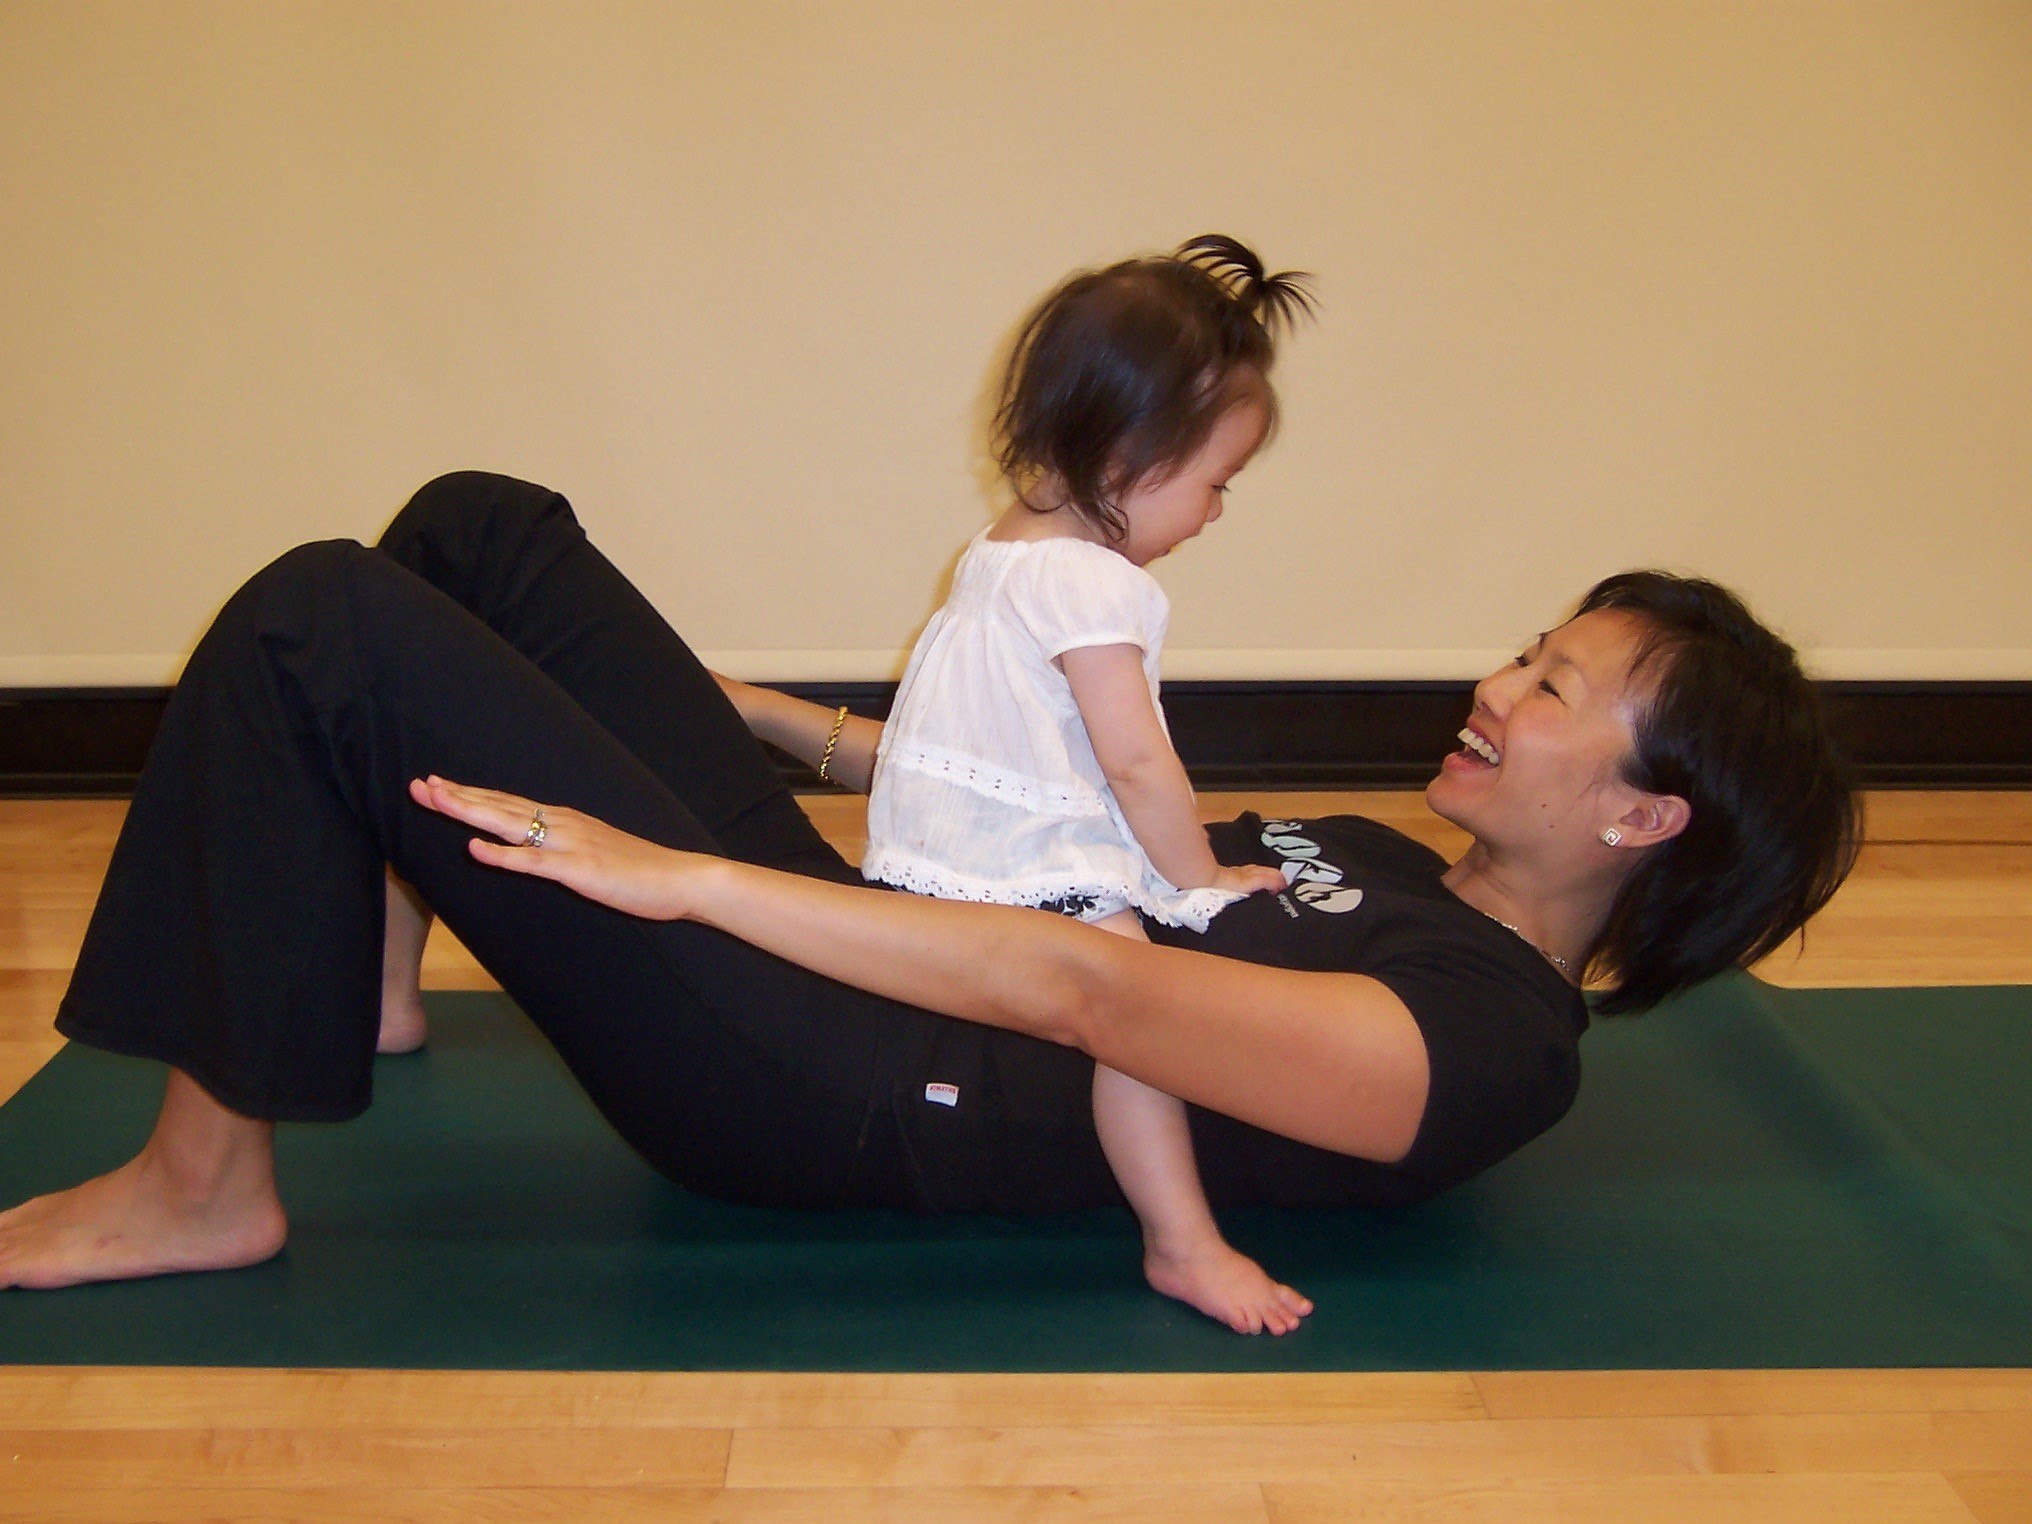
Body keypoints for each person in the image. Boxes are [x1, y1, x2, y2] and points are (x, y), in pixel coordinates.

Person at [0, 473, 1860, 1317]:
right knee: (483, 534)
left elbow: (1087, 992)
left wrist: (694, 876)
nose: (1495, 684)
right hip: (890, 976)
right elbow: (1052, 821)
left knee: (323, 615)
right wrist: (751, 722)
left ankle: (201, 1185)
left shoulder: (1489, 1039)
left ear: (1644, 818)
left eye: (1552, 688)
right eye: (1528, 647)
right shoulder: (1374, 859)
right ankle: (372, 978)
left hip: (841, 1092)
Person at [852, 235, 1313, 1333]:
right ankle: (1182, 1243)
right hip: (1002, 870)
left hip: (927, 853)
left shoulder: (997, 552)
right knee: (1141, 1017)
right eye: (1214, 483)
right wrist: (1193, 878)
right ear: (1131, 461)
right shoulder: (1096, 584)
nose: (1213, 514)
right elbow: (1135, 758)